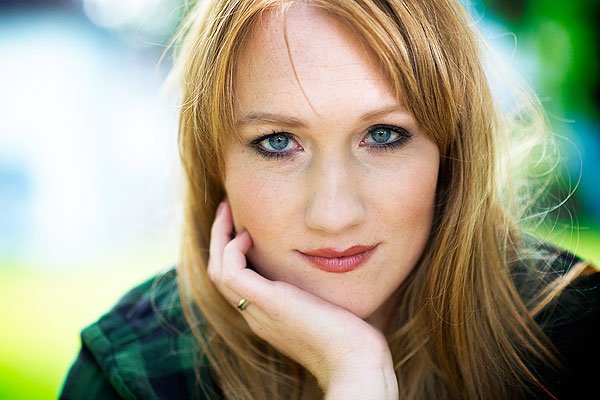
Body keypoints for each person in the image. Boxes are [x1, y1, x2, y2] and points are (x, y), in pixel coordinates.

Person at [60, 0, 599, 399]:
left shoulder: (576, 336)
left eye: (383, 135)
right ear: (214, 162)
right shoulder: (133, 375)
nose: (334, 215)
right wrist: (355, 376)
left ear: (451, 151)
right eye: (277, 142)